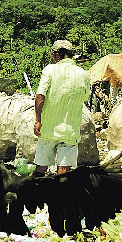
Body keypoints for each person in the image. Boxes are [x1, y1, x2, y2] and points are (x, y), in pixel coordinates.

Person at [33, 40, 91, 176]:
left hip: (48, 129)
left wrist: (38, 120)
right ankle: (60, 196)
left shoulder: (49, 70)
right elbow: (85, 97)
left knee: (41, 167)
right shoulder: (83, 74)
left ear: (56, 55)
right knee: (64, 171)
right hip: (70, 130)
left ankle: (36, 195)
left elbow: (40, 96)